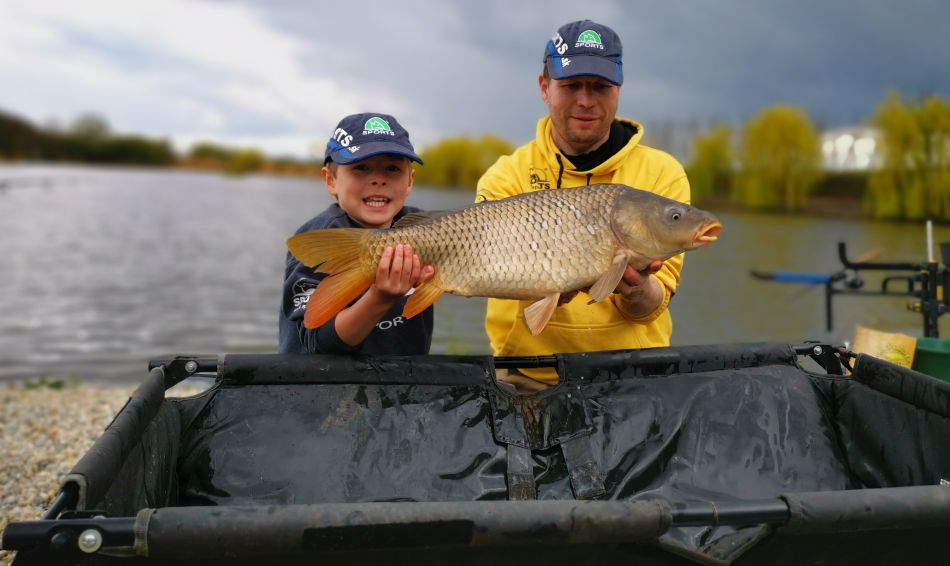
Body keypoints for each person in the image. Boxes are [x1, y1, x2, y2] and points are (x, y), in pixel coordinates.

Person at [475, 20, 691, 389]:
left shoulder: (662, 175)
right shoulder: (506, 176)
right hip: (526, 374)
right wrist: (548, 286)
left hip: (633, 376)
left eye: (600, 87)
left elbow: (653, 305)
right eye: (571, 86)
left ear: (618, 91)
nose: (586, 101)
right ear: (545, 87)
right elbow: (485, 274)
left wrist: (637, 288)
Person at [279, 112, 435, 355]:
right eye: (361, 167)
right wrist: (379, 298)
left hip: (402, 385)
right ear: (330, 180)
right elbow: (316, 341)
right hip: (319, 386)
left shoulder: (427, 229)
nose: (378, 180)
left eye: (393, 168)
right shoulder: (321, 236)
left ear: (410, 182)